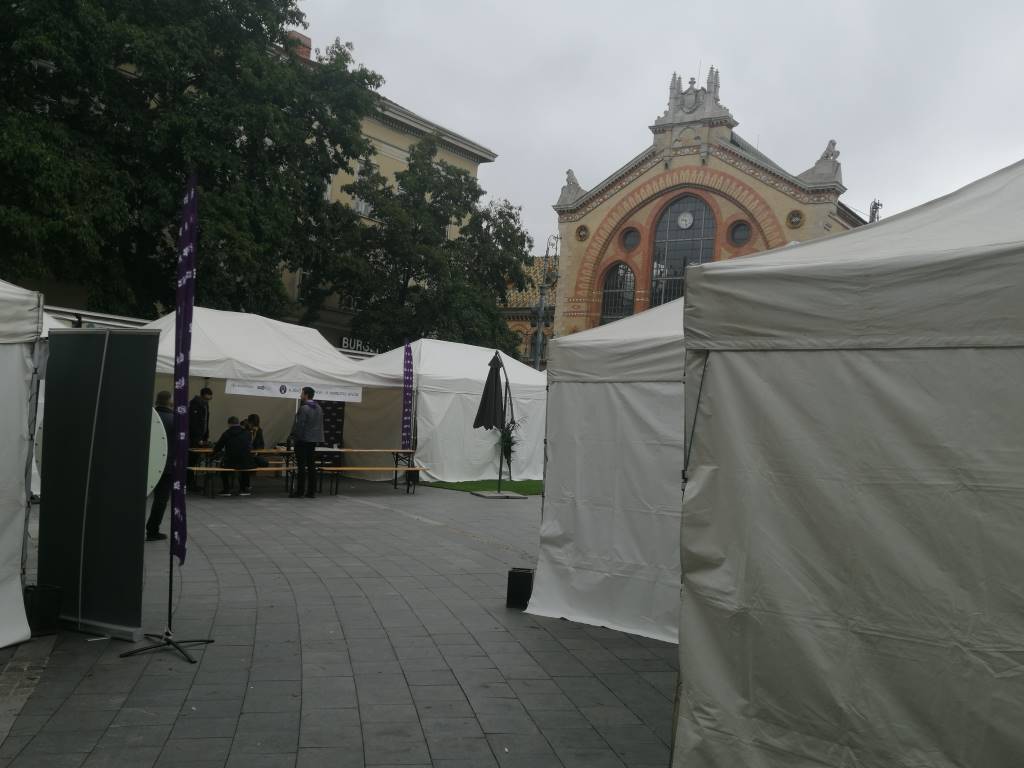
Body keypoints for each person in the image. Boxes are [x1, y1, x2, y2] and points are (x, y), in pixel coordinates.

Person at [146, 391, 174, 541]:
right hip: (167, 465)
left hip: (146, 463)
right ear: (169, 401)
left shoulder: (149, 416)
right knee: (161, 499)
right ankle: (152, 530)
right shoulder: (174, 419)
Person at [289, 387, 323, 498]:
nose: (300, 395)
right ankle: (311, 491)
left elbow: (299, 426)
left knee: (301, 466)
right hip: (313, 440)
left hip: (303, 440)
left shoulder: (304, 408)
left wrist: (294, 437)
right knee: (311, 466)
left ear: (306, 395)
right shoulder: (319, 408)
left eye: (302, 393)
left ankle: (300, 491)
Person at [213, 416, 254, 496]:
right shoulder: (247, 433)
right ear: (238, 423)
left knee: (223, 469)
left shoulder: (226, 433)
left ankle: (226, 490)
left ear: (229, 424)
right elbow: (249, 446)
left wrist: (213, 454)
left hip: (230, 461)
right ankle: (244, 489)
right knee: (244, 467)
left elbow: (218, 447)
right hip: (246, 461)